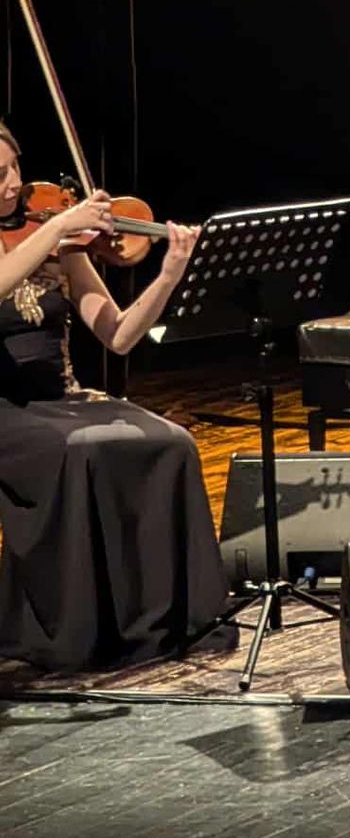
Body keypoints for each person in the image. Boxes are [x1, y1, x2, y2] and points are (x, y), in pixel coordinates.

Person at [0, 122, 234, 672]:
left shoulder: (54, 238)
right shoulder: (47, 234)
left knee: (170, 440)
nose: (13, 185)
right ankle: (78, 629)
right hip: (7, 411)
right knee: (80, 449)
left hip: (62, 396)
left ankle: (161, 620)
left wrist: (170, 274)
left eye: (13, 168)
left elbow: (121, 334)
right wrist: (57, 225)